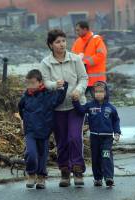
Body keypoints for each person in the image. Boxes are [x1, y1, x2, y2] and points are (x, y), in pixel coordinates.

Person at [41, 29, 88, 187]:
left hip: (76, 105)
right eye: (57, 42)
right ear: (51, 45)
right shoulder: (45, 63)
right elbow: (45, 83)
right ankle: (65, 172)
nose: (61, 44)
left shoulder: (75, 59)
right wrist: (55, 85)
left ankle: (78, 170)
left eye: (63, 41)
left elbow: (84, 78)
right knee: (61, 141)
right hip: (57, 108)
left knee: (74, 137)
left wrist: (78, 90)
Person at [18, 69, 68, 189]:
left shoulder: (48, 96)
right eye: (28, 83)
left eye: (32, 83)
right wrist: (24, 121)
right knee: (31, 153)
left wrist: (63, 86)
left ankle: (41, 177)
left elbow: (59, 99)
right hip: (30, 131)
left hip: (44, 131)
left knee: (42, 155)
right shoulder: (25, 97)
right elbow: (20, 109)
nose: (30, 86)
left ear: (40, 82)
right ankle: (31, 174)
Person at [72, 81, 121, 187]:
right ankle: (97, 178)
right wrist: (75, 101)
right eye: (96, 92)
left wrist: (117, 132)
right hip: (94, 137)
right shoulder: (90, 106)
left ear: (106, 93)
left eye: (101, 91)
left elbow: (116, 120)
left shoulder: (111, 108)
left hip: (107, 138)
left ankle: (108, 177)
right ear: (93, 93)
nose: (99, 94)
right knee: (96, 158)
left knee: (106, 156)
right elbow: (80, 110)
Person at [72, 21, 107, 97]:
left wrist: (85, 63)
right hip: (82, 80)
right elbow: (72, 57)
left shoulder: (97, 40)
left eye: (78, 30)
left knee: (99, 103)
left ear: (85, 29)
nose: (76, 32)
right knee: (78, 101)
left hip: (96, 80)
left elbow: (101, 55)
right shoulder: (77, 42)